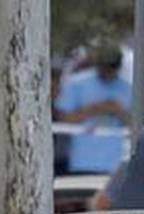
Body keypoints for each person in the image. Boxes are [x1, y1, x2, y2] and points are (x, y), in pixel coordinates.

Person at [55, 44, 132, 175]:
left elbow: (135, 124)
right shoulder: (76, 84)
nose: (109, 73)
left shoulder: (127, 88)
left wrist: (119, 111)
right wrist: (93, 110)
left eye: (113, 68)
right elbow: (62, 118)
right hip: (82, 163)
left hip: (114, 165)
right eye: (105, 68)